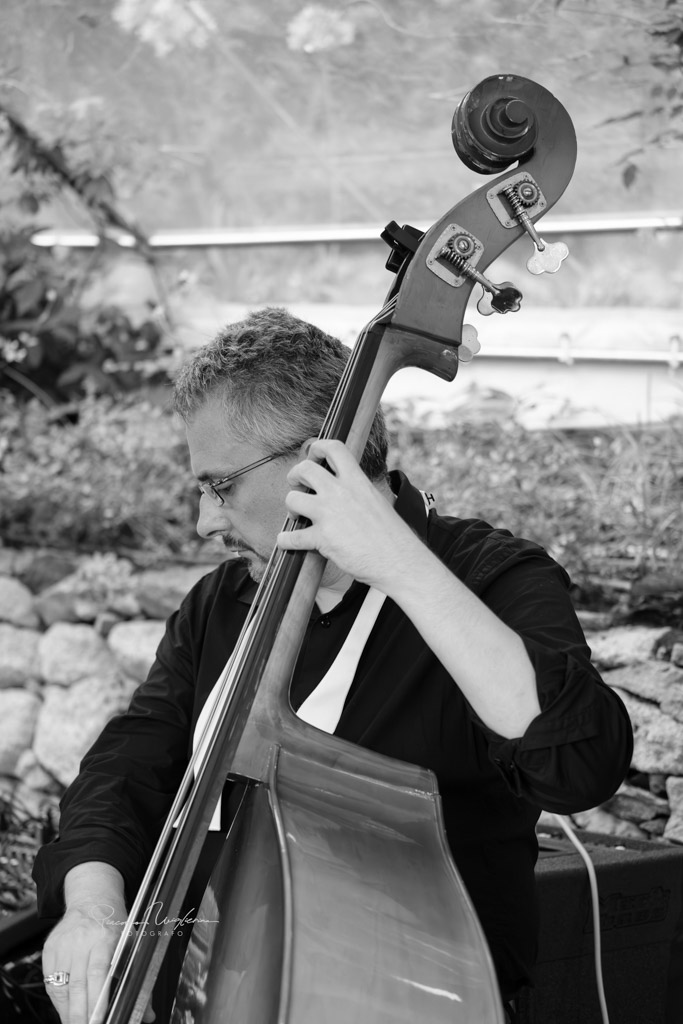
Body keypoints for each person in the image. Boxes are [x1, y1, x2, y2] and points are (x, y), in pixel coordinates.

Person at [33, 306, 633, 1024]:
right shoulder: (222, 602)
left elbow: (578, 767)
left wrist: (401, 565)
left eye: (221, 487)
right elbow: (129, 765)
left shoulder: (490, 580)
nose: (204, 522)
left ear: (316, 459)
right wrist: (91, 905)